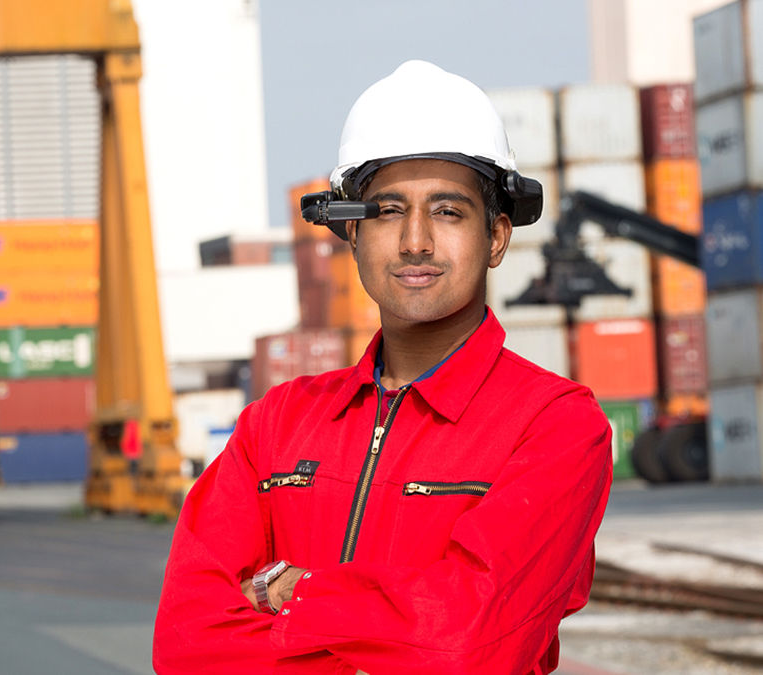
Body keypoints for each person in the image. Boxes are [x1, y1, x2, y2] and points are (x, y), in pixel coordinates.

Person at [153, 60, 612, 674]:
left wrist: (295, 595)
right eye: (388, 211)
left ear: (497, 237)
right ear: (352, 233)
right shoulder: (275, 425)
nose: (415, 240)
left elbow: (467, 649)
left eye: (448, 212)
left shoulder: (555, 427)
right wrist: (393, 636)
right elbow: (187, 643)